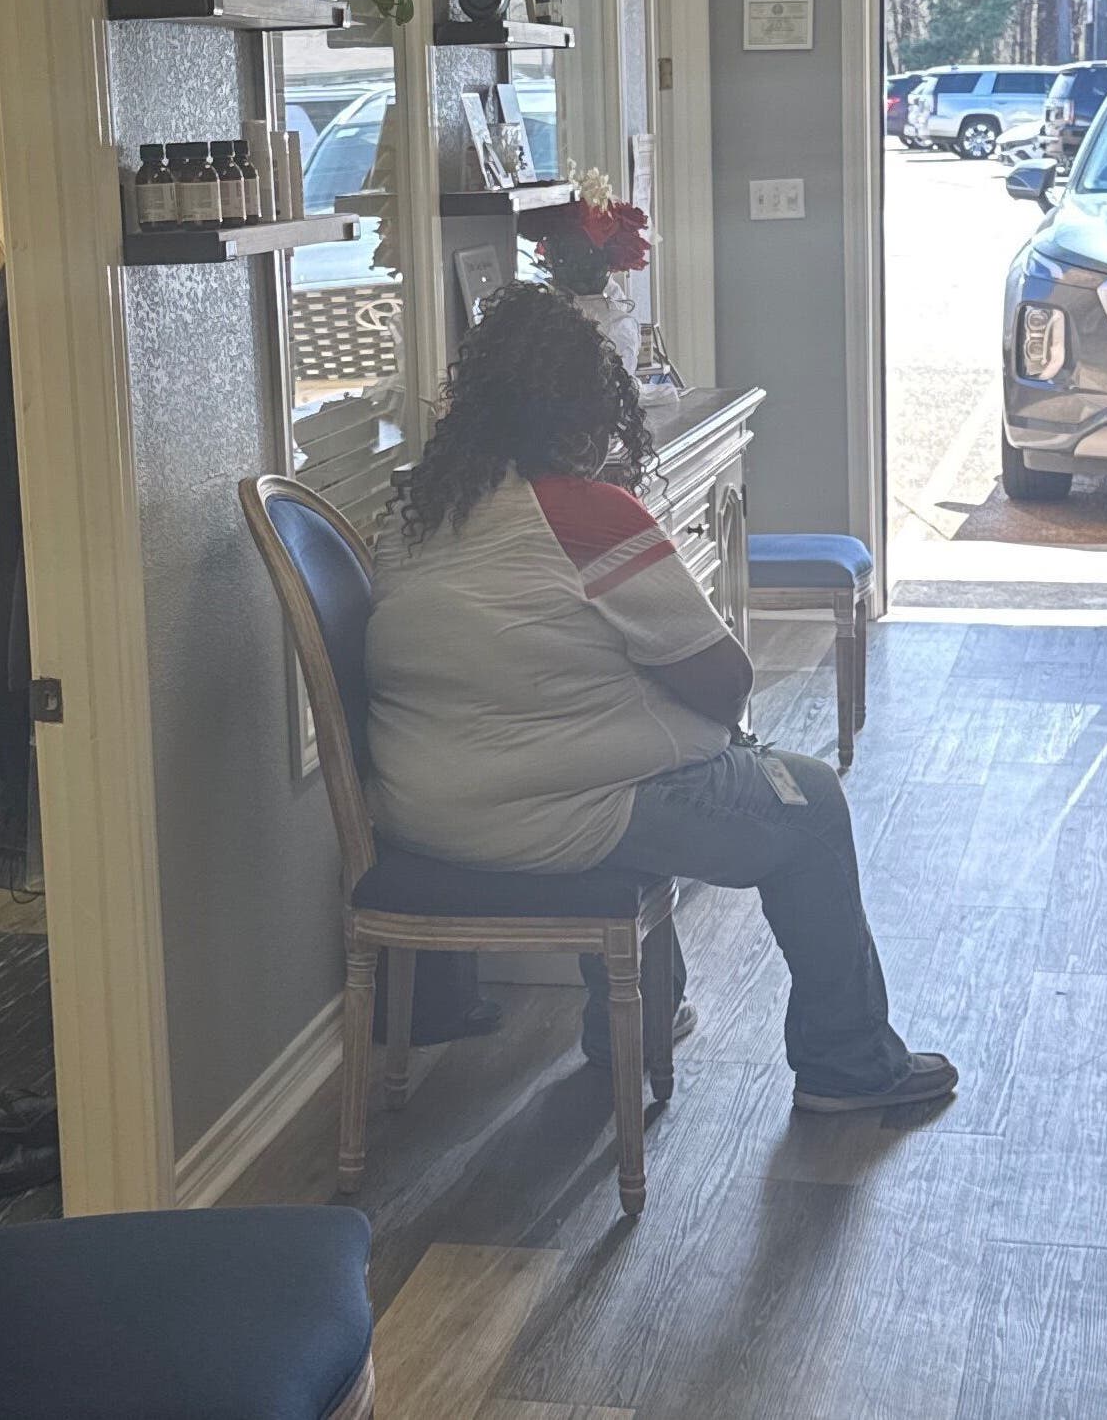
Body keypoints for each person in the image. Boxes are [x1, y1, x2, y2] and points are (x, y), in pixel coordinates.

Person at [364, 284, 954, 1113]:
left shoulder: (415, 512)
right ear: (581, 415)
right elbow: (726, 680)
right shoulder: (584, 516)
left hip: (421, 811)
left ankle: (637, 1022)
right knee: (812, 803)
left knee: (625, 765)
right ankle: (848, 1064)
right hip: (551, 813)